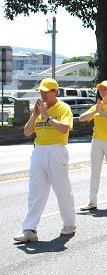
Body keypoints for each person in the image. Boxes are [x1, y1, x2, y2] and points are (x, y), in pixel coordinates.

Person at [14, 78, 77, 242]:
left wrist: (47, 117)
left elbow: (64, 129)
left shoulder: (63, 108)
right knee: (35, 191)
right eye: (41, 91)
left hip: (57, 150)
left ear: (55, 92)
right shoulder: (39, 110)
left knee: (62, 190)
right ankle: (29, 229)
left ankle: (69, 224)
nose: (42, 94)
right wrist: (35, 115)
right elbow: (27, 132)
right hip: (39, 151)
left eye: (46, 91)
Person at [80, 80, 107, 209]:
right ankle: (92, 201)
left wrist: (102, 113)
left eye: (105, 89)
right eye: (100, 89)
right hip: (97, 141)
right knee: (95, 171)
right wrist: (95, 111)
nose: (102, 91)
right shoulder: (97, 105)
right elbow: (82, 118)